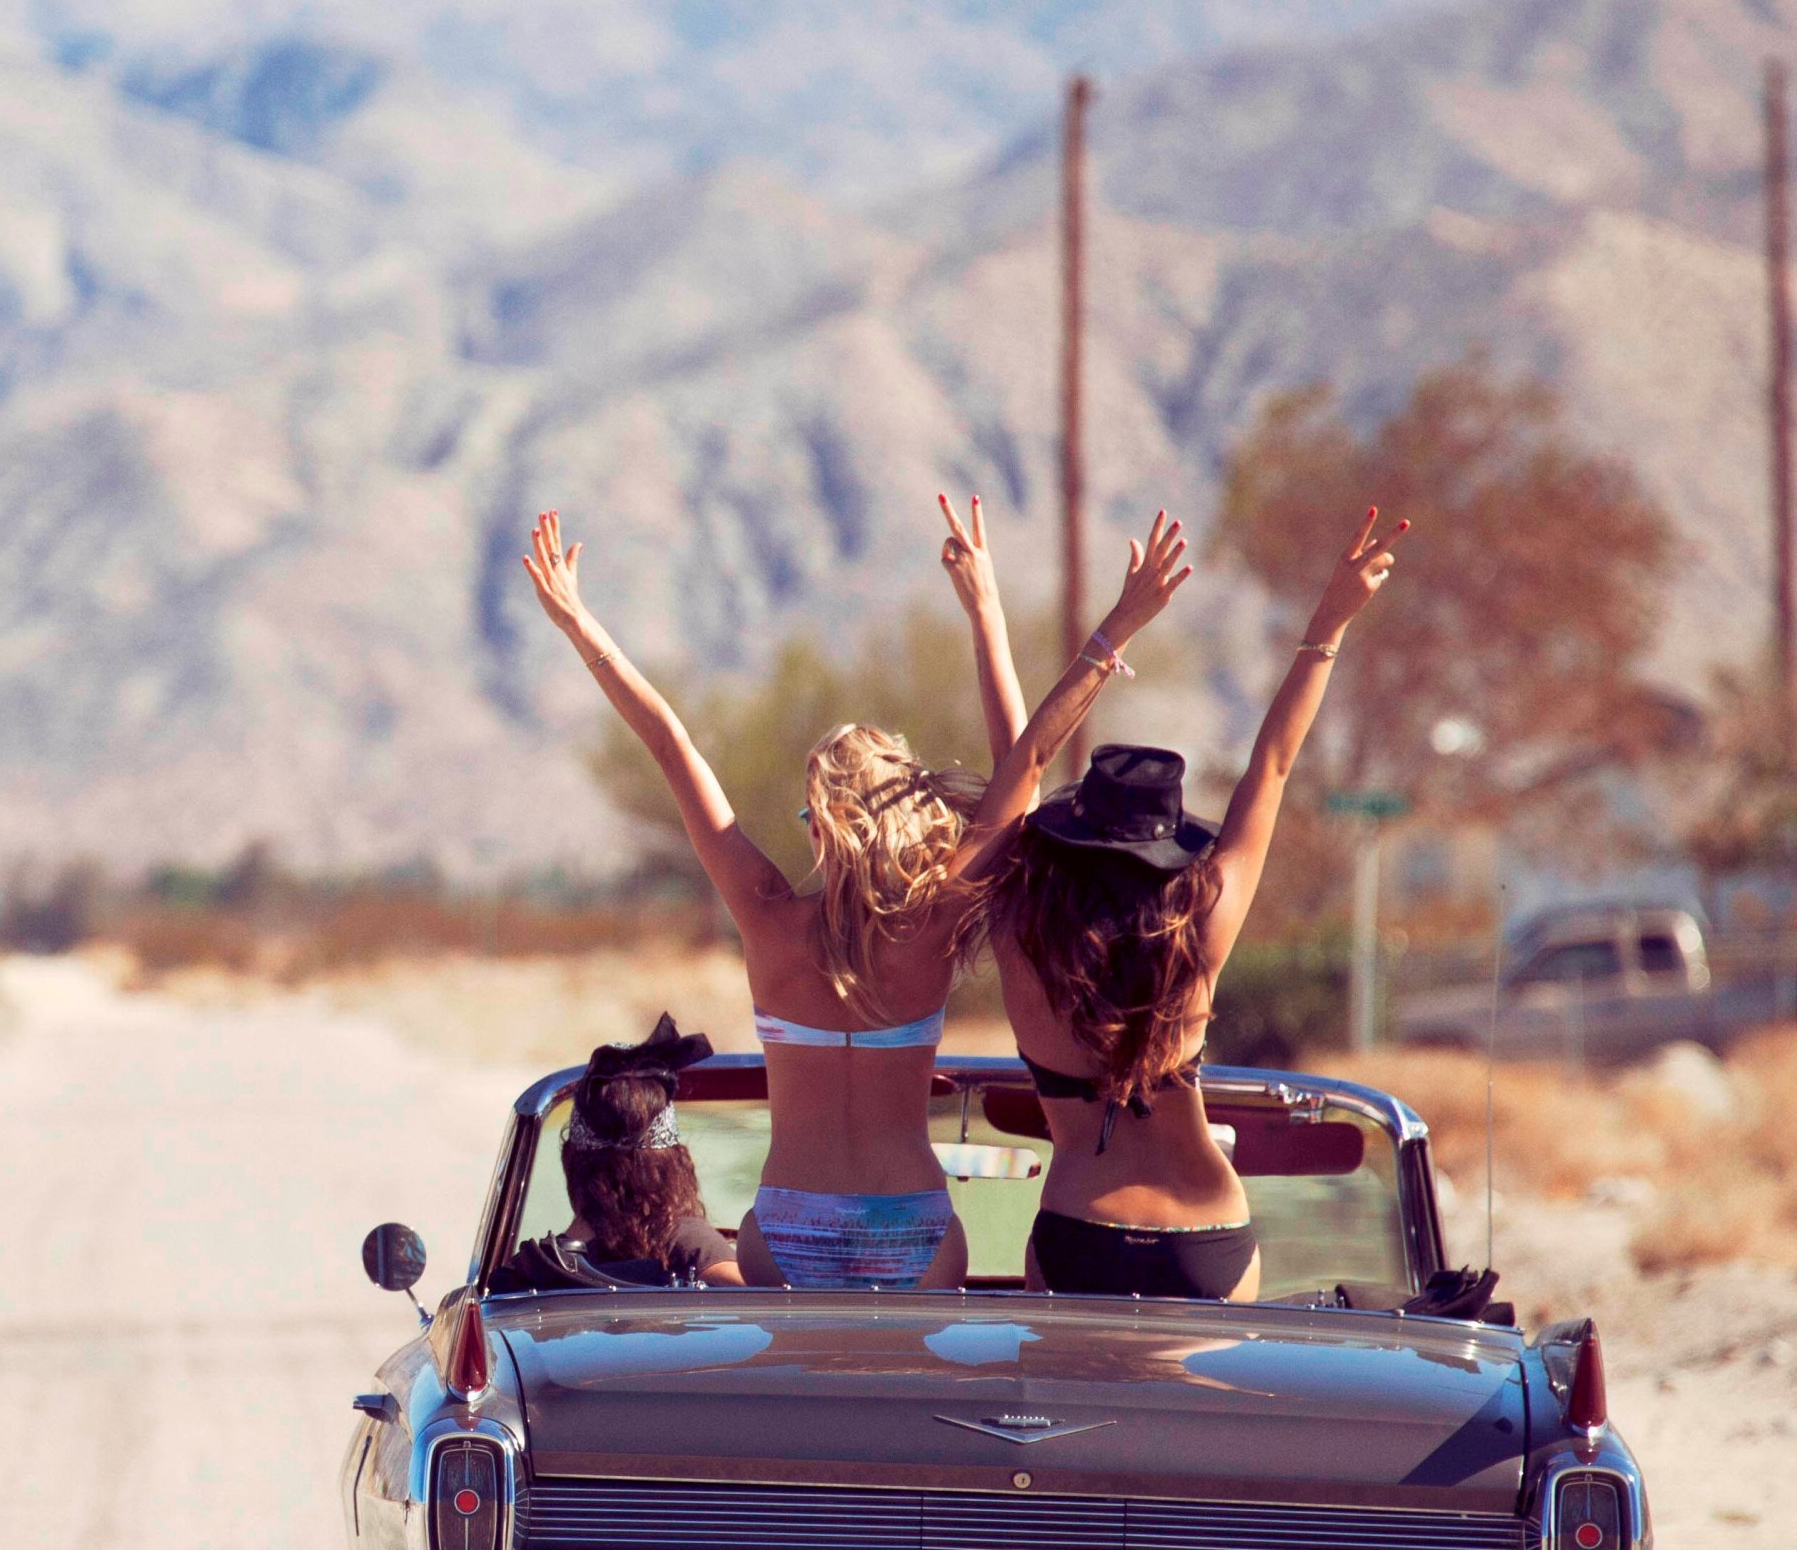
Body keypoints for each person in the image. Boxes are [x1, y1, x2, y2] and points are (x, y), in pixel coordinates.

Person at [520, 497, 1191, 1290]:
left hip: (786, 1231)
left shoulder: (766, 915)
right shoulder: (936, 920)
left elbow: (671, 743)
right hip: (915, 1232)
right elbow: (1029, 761)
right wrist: (1081, 625)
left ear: (822, 829)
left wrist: (579, 625)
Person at [989, 506, 1408, 1301]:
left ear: (1068, 837)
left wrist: (1102, 627)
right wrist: (1330, 623)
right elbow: (1272, 765)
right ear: (1167, 849)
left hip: (1081, 1224)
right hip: (1208, 1235)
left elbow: (1023, 764)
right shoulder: (1201, 926)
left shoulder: (1022, 935)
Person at [494, 1015, 743, 1288]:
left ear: (571, 1163)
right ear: (676, 1164)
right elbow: (752, 1299)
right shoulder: (692, 1249)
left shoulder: (526, 1275)